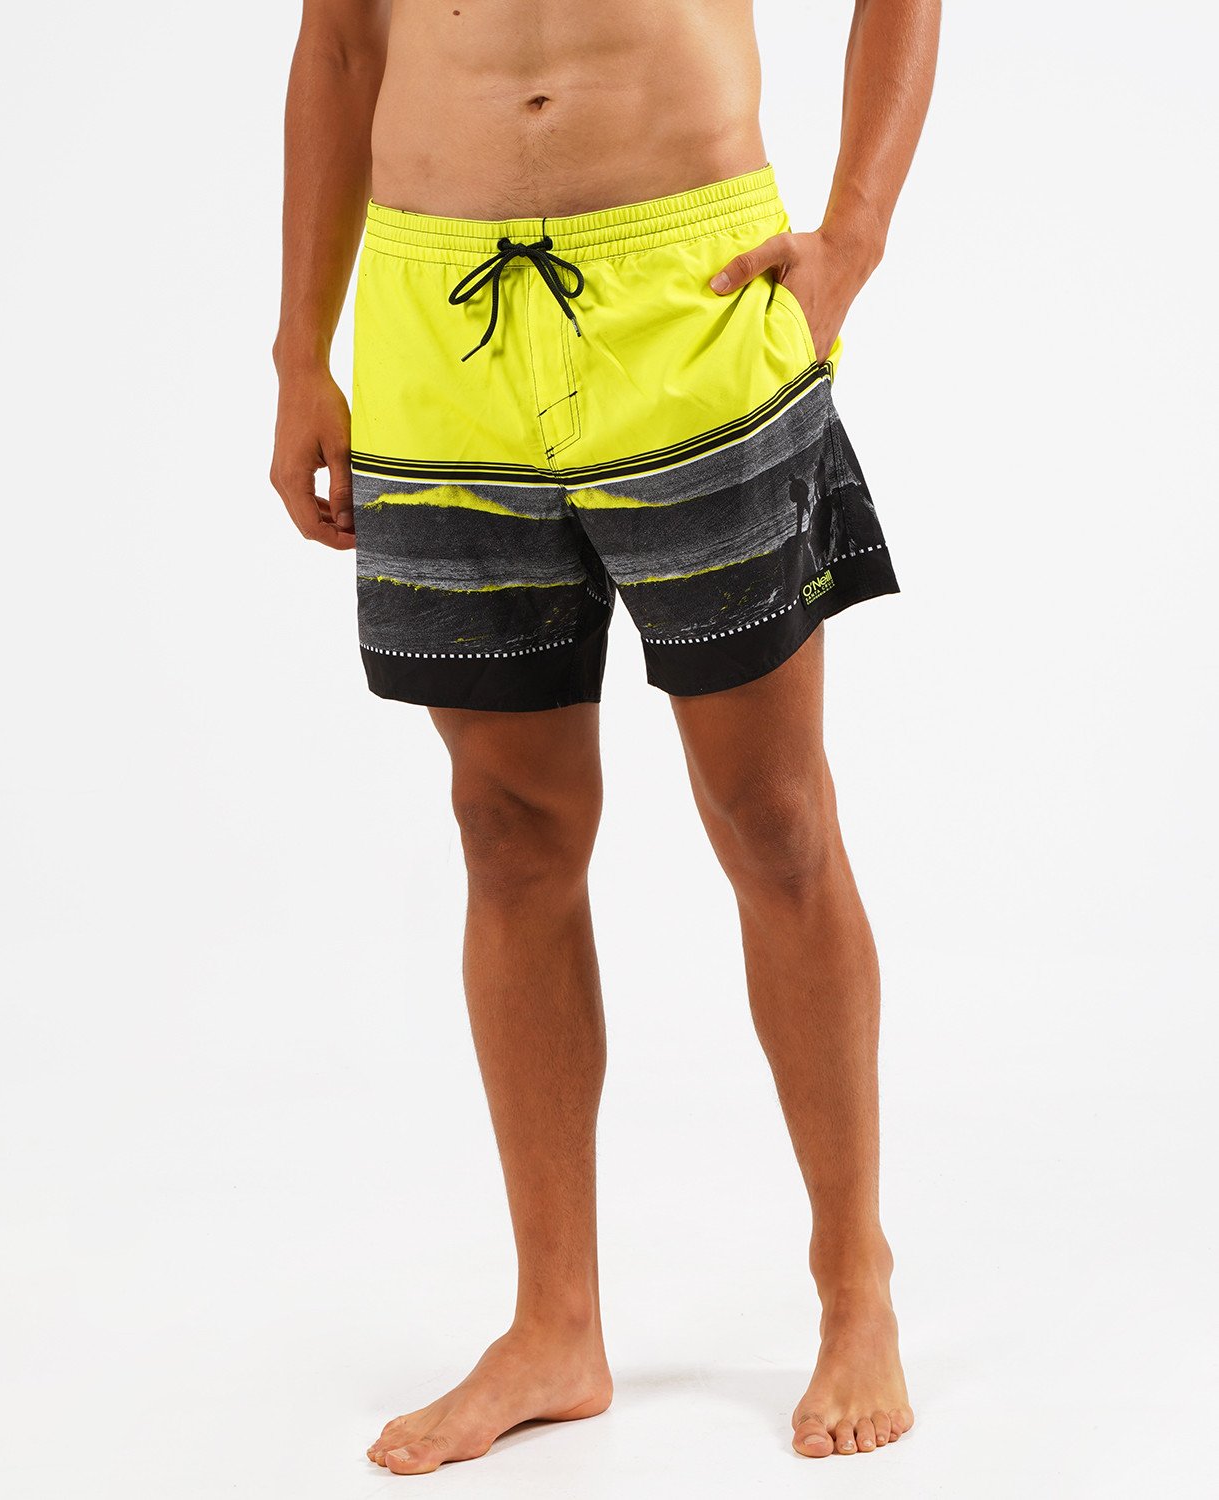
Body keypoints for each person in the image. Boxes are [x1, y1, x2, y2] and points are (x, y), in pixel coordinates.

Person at [269, 0, 938, 1472]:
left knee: (773, 817)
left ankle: (854, 1283)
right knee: (507, 831)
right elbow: (340, 44)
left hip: (691, 293)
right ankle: (554, 1326)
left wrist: (856, 235)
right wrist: (298, 353)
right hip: (435, 318)